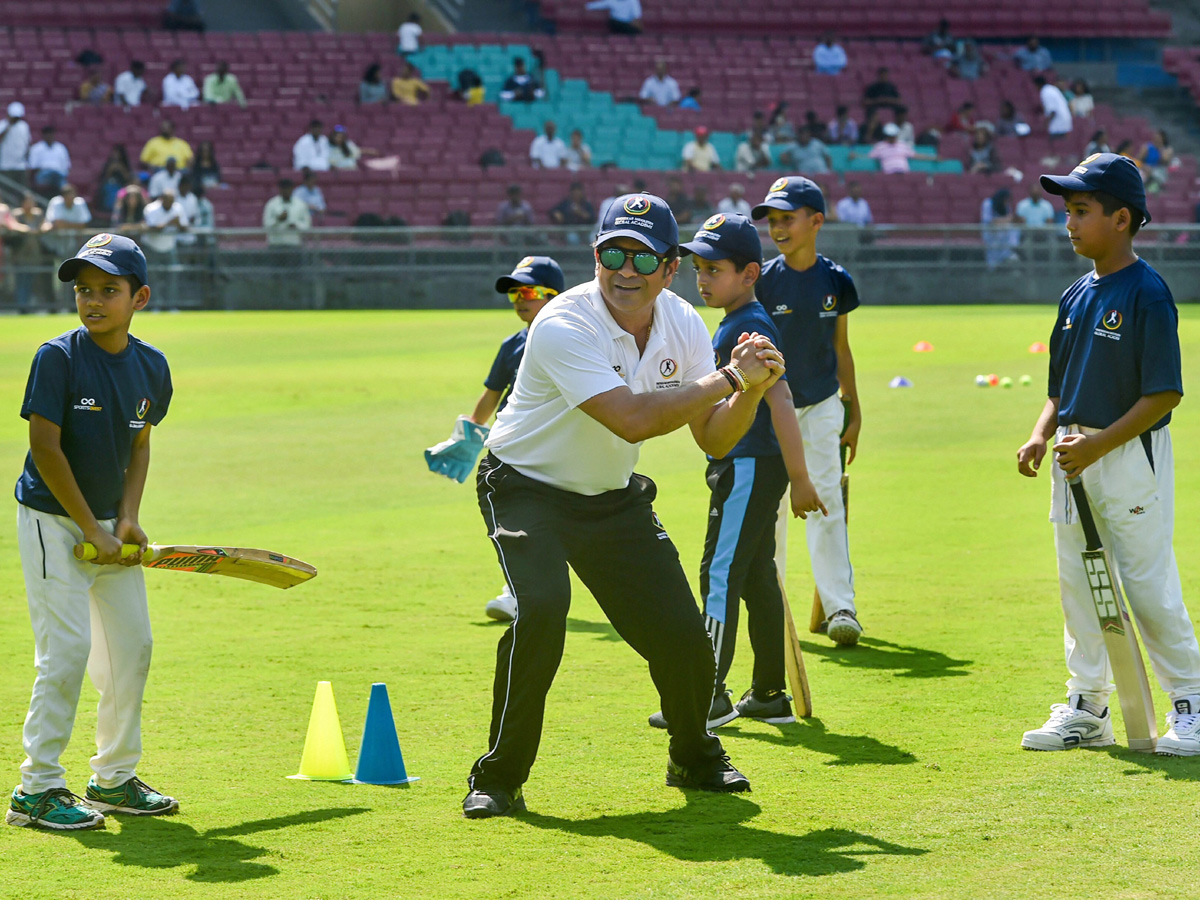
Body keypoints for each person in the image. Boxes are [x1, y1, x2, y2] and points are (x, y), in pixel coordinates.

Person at [461, 193, 785, 818]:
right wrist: (733, 379)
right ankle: (498, 779)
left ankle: (694, 756)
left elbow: (714, 436)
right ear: (595, 257)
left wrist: (752, 391)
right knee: (544, 610)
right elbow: (632, 423)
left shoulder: (684, 322)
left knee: (685, 637)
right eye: (613, 252)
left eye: (643, 256)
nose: (626, 269)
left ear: (671, 268)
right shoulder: (562, 323)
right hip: (526, 487)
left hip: (612, 500)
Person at [1017, 152, 1200, 756]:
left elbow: (1165, 393)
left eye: (1081, 210)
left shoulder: (1147, 293)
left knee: (1145, 582)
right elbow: (1058, 389)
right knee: (1080, 583)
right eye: (1067, 211)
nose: (1068, 222)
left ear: (1122, 218)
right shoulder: (1075, 295)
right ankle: (1087, 707)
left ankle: (1192, 702)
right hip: (1074, 457)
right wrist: (1043, 434)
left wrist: (1098, 444)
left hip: (1126, 455)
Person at [7, 233, 177, 831]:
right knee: (67, 652)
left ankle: (114, 778)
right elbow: (45, 449)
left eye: (109, 290)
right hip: (53, 522)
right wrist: (90, 528)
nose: (93, 300)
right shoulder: (58, 357)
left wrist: (126, 517)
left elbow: (139, 444)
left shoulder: (152, 366)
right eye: (84, 290)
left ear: (141, 297)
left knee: (133, 648)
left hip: (107, 526)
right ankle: (37, 788)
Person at [647, 213, 826, 731]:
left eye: (714, 269)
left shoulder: (748, 327)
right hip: (752, 466)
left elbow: (784, 400)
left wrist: (801, 478)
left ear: (750, 273)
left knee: (719, 573)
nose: (702, 279)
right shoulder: (738, 323)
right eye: (698, 268)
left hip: (747, 466)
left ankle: (708, 693)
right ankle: (769, 694)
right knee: (754, 576)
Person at [752, 176, 864, 645]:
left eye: (787, 219)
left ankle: (841, 608)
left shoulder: (836, 280)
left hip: (821, 407)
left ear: (816, 221)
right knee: (773, 510)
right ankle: (772, 609)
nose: (777, 229)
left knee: (826, 504)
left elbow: (841, 348)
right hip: (769, 412)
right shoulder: (763, 280)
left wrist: (853, 410)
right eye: (772, 221)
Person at [456, 257, 567, 621]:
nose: (521, 299)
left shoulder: (573, 340)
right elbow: (492, 393)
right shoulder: (512, 344)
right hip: (514, 447)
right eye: (515, 293)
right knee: (518, 523)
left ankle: (526, 592)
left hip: (556, 447)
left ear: (554, 296)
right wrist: (470, 432)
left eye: (529, 291)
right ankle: (517, 592)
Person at [860, 123, 936, 174]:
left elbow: (915, 155)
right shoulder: (880, 146)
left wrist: (932, 158)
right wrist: (856, 156)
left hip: (903, 173)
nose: (892, 137)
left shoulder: (903, 145)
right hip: (888, 174)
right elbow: (868, 157)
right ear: (887, 135)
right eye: (890, 135)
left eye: (894, 135)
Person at [262, 178, 311, 245]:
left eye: (288, 188)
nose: (286, 191)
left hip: (294, 244)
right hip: (275, 244)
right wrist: (278, 220)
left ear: (292, 189)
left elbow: (307, 225)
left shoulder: (300, 205)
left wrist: (296, 225)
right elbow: (266, 225)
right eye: (284, 188)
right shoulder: (271, 204)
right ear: (279, 189)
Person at [141, 188, 188, 254]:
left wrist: (178, 224)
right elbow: (150, 228)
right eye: (168, 201)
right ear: (162, 199)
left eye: (172, 201)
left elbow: (185, 228)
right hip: (151, 247)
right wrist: (169, 223)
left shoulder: (177, 208)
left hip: (170, 247)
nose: (170, 204)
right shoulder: (151, 208)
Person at [981, 188, 1019, 268]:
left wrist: (1008, 220)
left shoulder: (1006, 206)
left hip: (1003, 233)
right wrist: (1007, 219)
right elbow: (989, 221)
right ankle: (992, 269)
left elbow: (1010, 219)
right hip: (990, 233)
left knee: (1014, 229)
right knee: (994, 250)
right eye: (1005, 200)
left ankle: (1008, 259)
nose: (1006, 202)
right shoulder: (988, 203)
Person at [28, 127, 72, 194]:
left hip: (58, 174)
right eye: (47, 134)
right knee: (48, 175)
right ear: (43, 135)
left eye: (51, 134)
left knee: (61, 180)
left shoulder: (61, 148)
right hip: (44, 174)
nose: (49, 136)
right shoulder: (36, 148)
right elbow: (33, 167)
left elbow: (66, 167)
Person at [92, 145, 132, 215]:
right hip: (108, 186)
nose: (116, 155)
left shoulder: (125, 164)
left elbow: (128, 179)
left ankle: (119, 210)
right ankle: (106, 209)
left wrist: (121, 169)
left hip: (122, 186)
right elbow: (103, 178)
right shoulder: (109, 164)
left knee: (120, 193)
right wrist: (110, 170)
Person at [0, 102, 32, 187]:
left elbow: (27, 143)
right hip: (5, 165)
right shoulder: (2, 125)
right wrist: (8, 126)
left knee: (20, 191)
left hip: (20, 165)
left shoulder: (24, 126)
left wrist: (28, 162)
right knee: (7, 191)